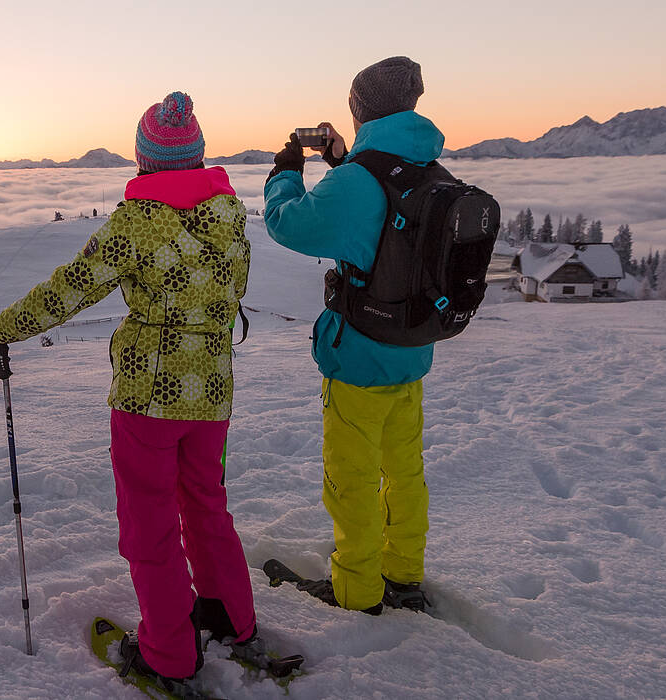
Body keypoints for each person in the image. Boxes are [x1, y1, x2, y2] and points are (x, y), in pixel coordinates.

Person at [0, 92, 258, 692]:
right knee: (206, 503)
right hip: (211, 391)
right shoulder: (231, 215)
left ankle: (168, 655)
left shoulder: (136, 223)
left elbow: (74, 287)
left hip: (148, 398)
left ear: (144, 158)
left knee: (150, 523)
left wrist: (5, 329)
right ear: (198, 154)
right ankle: (230, 618)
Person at [261, 56, 441, 615]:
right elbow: (386, 212)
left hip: (360, 354)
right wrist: (344, 158)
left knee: (353, 480)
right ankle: (404, 573)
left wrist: (285, 172)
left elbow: (289, 223)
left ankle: (357, 590)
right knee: (404, 470)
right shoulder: (429, 168)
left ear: (359, 109)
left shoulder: (359, 181)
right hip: (411, 351)